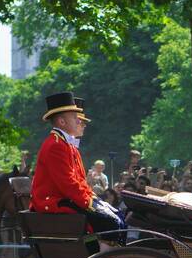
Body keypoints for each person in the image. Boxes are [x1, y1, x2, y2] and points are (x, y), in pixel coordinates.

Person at [30, 92, 124, 234]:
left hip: (65, 199)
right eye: (75, 118)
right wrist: (92, 203)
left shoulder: (63, 143)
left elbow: (78, 181)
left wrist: (95, 200)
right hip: (54, 202)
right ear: (62, 122)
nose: (80, 122)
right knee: (111, 222)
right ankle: (107, 257)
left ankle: (106, 255)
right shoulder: (56, 145)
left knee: (117, 218)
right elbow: (68, 184)